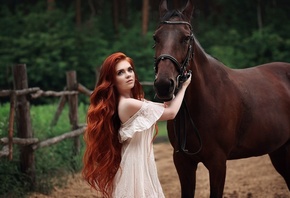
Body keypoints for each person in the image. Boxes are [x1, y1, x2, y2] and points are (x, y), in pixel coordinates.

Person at [82, 52, 191, 198]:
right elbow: (171, 113)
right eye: (120, 72)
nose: (128, 75)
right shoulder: (128, 104)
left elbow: (165, 107)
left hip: (140, 165)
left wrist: (171, 83)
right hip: (133, 167)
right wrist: (184, 87)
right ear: (112, 80)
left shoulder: (136, 101)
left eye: (130, 70)